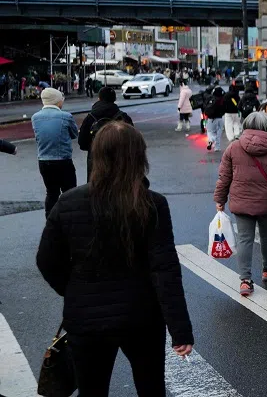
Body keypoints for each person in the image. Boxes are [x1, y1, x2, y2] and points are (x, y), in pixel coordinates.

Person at [36, 122, 194, 396]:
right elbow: (165, 269)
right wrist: (180, 330)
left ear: (97, 155)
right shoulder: (152, 204)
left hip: (85, 318)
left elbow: (47, 261)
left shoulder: (69, 202)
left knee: (92, 390)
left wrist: (73, 289)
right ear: (138, 157)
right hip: (141, 316)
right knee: (151, 388)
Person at [214, 112, 267, 296]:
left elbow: (224, 178)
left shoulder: (234, 147)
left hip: (241, 203)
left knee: (245, 239)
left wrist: (220, 199)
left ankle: (245, 281)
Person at [32, 88, 79, 216]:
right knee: (69, 192)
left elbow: (38, 136)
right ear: (57, 101)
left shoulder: (35, 118)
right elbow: (74, 134)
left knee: (51, 192)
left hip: (44, 160)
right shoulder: (66, 116)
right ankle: (69, 218)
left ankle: (50, 220)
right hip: (63, 160)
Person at [79, 87, 134, 181]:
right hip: (119, 159)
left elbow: (82, 143)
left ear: (99, 99)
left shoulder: (90, 117)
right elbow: (132, 141)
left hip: (96, 159)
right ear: (114, 100)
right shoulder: (123, 117)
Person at [204, 86, 226, 152]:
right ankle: (217, 147)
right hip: (220, 118)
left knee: (210, 132)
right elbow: (224, 109)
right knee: (218, 134)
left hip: (211, 119)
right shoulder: (222, 99)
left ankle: (211, 140)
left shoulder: (211, 99)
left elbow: (205, 106)